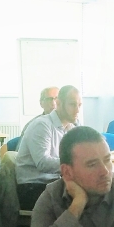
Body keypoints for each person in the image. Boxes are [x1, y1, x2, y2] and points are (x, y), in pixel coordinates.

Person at [16, 85, 82, 214]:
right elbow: (43, 163)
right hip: (33, 186)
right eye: (72, 105)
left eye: (79, 105)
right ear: (58, 103)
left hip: (53, 183)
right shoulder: (42, 125)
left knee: (93, 193)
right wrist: (73, 165)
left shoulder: (70, 128)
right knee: (84, 200)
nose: (77, 110)